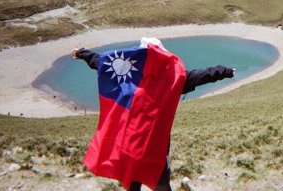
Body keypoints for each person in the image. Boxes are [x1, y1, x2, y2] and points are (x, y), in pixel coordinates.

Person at [72, 38, 235, 191]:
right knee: (162, 186)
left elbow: (101, 62)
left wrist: (82, 53)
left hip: (130, 147)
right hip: (155, 149)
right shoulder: (174, 79)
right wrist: (225, 71)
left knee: (133, 183)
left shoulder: (127, 77)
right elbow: (202, 75)